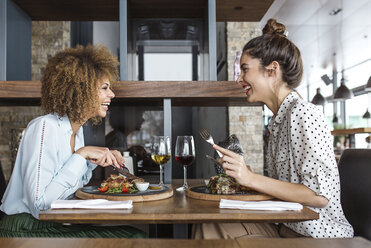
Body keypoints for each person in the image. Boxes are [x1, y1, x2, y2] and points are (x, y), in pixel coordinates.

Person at [194, 19, 353, 239]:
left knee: (211, 228)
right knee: (208, 223)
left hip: (317, 236)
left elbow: (319, 196)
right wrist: (243, 175)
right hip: (286, 227)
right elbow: (286, 187)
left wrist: (250, 178)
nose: (239, 78)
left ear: (272, 70)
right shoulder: (279, 120)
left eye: (245, 69)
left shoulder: (304, 113)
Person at [0, 45, 146, 238]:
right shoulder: (45, 127)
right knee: (132, 237)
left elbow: (71, 188)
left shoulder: (77, 132)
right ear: (81, 91)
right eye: (104, 88)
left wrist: (95, 160)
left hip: (52, 224)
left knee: (132, 234)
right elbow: (39, 205)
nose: (112, 94)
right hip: (24, 228)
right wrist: (82, 155)